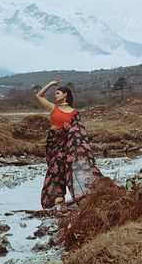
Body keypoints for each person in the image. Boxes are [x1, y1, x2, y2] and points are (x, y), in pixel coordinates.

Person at [35, 78, 102, 209]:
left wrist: (69, 129)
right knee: (55, 169)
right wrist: (51, 84)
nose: (55, 95)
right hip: (54, 143)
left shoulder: (74, 113)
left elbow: (79, 130)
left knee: (69, 168)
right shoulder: (53, 108)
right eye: (55, 93)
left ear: (65, 94)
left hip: (68, 144)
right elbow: (39, 96)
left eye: (58, 93)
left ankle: (85, 194)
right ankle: (57, 198)